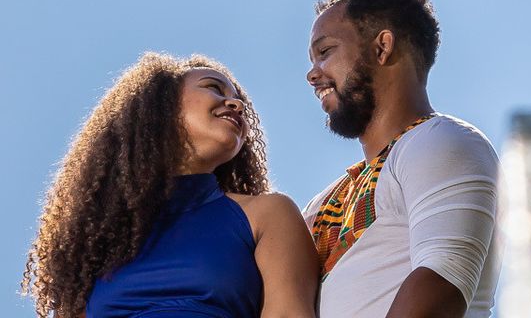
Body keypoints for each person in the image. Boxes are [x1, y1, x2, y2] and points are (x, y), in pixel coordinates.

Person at [23, 52, 318, 318]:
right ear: (161, 106)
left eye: (238, 100)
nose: (236, 104)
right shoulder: (96, 244)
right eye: (214, 88)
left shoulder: (267, 215)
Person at [304, 0, 502, 318]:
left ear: (382, 47)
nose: (312, 74)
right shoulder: (325, 201)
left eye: (325, 53)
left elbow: (441, 285)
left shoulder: (441, 141)